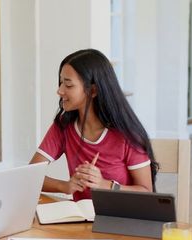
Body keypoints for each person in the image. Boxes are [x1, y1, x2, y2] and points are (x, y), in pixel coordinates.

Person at [30, 49, 158, 201]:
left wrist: (105, 184)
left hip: (122, 218)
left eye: (68, 85)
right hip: (81, 219)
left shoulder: (126, 134)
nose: (60, 91)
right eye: (61, 82)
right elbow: (31, 175)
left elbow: (146, 192)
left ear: (93, 90)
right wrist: (65, 186)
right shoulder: (63, 126)